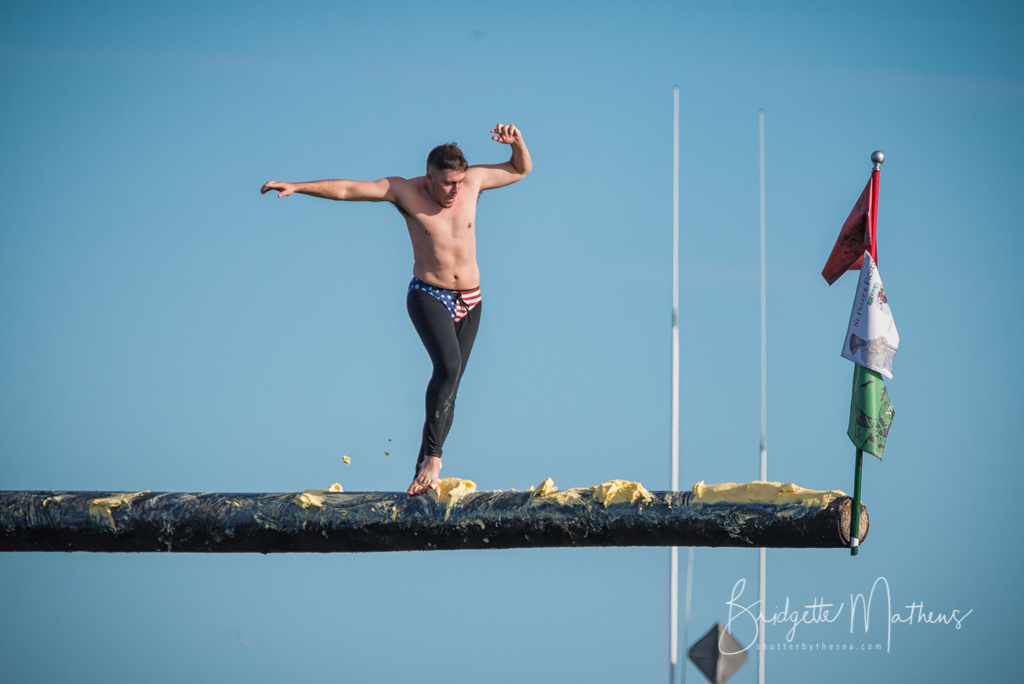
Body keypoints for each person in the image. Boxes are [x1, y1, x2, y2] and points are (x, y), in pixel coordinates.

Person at [260, 124, 532, 496]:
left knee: (451, 384)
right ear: (429, 177)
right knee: (448, 367)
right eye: (447, 184)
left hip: (471, 300)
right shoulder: (404, 191)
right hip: (428, 295)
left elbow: (519, 169)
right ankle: (434, 458)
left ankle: (421, 475)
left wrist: (518, 144)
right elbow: (348, 189)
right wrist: (298, 186)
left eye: (459, 182)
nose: (455, 191)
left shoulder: (473, 182)